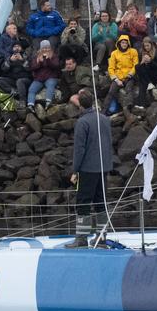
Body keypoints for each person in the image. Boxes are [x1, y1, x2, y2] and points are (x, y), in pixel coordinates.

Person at [69, 89, 115, 248]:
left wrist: (75, 171)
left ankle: (81, 238)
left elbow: (79, 149)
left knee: (82, 203)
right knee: (101, 202)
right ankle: (101, 238)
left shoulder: (82, 122)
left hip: (88, 169)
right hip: (103, 167)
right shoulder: (105, 119)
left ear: (80, 105)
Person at [105, 34, 137, 115]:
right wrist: (115, 79)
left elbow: (136, 65)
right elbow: (111, 68)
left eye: (126, 43)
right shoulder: (114, 53)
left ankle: (129, 109)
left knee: (129, 89)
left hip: (129, 76)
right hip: (118, 77)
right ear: (119, 43)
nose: (124, 44)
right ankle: (104, 110)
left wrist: (130, 74)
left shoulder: (133, 51)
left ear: (128, 44)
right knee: (111, 91)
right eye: (122, 43)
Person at [27, 40, 61, 107]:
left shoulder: (54, 55)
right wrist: (39, 62)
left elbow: (56, 66)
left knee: (50, 85)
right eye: (44, 48)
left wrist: (48, 60)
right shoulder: (36, 56)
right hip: (39, 79)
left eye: (47, 47)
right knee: (31, 89)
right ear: (41, 48)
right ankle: (30, 105)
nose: (45, 49)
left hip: (51, 77)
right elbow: (32, 67)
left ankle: (48, 102)